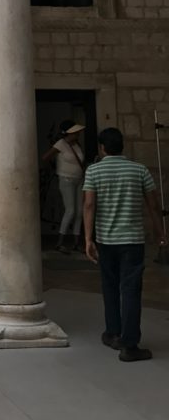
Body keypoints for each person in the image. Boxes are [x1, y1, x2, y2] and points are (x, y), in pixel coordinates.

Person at [83, 127, 167, 362]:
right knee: (130, 290)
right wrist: (162, 233)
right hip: (132, 241)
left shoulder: (94, 171)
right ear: (122, 146)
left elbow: (89, 205)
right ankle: (130, 345)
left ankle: (112, 333)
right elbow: (153, 205)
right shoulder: (139, 170)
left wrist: (88, 239)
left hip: (105, 240)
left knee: (109, 287)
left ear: (102, 147)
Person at [42, 120, 86, 253]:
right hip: (66, 180)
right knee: (71, 210)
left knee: (79, 212)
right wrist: (56, 171)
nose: (78, 134)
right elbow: (46, 157)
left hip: (79, 180)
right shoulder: (60, 144)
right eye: (76, 132)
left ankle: (76, 243)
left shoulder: (77, 144)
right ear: (70, 132)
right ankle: (60, 242)